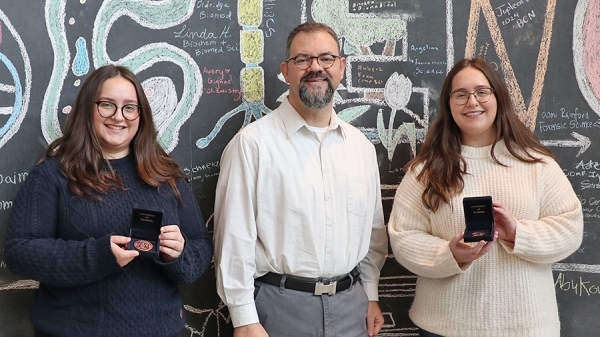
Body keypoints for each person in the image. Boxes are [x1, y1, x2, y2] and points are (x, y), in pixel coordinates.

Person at [5, 64, 213, 337]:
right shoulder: (53, 175)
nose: (119, 116)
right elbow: (20, 252)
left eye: (130, 107)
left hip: (159, 330)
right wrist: (98, 256)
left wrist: (178, 253)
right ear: (87, 108)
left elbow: (200, 248)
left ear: (141, 115)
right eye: (107, 105)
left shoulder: (166, 175)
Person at [214, 22, 388, 337]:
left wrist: (371, 295)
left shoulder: (361, 148)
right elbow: (233, 239)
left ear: (341, 67)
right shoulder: (252, 144)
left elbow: (373, 232)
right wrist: (244, 318)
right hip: (279, 312)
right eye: (303, 60)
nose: (315, 68)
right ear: (286, 71)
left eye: (326, 59)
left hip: (353, 310)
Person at [387, 57, 584, 337]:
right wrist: (450, 254)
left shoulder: (536, 164)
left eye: (482, 91)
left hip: (526, 327)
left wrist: (517, 233)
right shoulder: (425, 170)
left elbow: (570, 229)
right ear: (448, 104)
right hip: (444, 327)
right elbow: (403, 237)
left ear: (498, 97)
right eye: (461, 94)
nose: (472, 102)